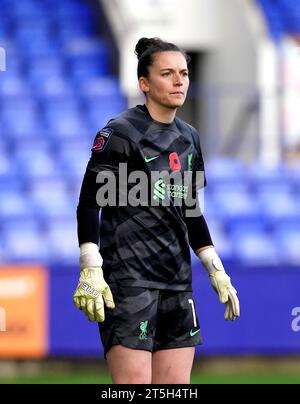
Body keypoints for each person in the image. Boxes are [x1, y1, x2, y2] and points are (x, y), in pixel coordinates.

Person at [73, 37, 240, 384]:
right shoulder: (120, 133)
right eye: (167, 74)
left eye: (183, 72)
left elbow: (190, 211)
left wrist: (215, 269)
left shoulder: (190, 136)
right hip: (129, 281)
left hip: (178, 283)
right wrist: (90, 266)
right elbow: (90, 201)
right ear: (144, 84)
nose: (179, 81)